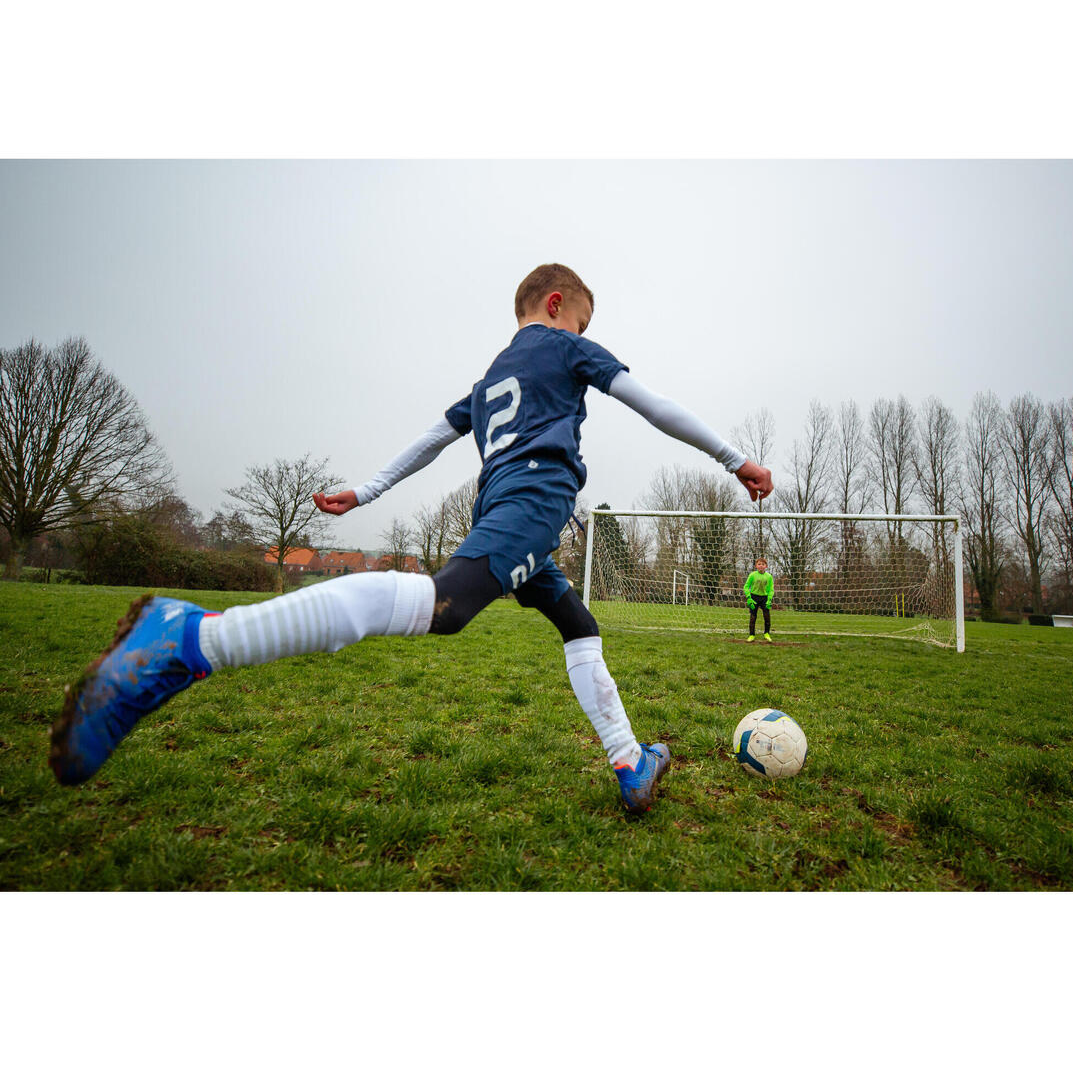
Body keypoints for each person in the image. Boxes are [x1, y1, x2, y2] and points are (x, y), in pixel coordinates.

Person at [49, 264, 773, 813]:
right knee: (446, 608)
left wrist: (366, 491)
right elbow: (652, 403)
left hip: (504, 506)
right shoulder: (563, 348)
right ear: (557, 308)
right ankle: (197, 639)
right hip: (531, 502)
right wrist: (733, 458)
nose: (580, 337)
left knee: (576, 621)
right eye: (580, 324)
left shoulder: (494, 375)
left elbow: (433, 437)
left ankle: (628, 759)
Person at [743, 556, 774, 642]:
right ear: (756, 566)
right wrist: (749, 598)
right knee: (753, 617)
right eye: (759, 564)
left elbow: (771, 589)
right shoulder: (752, 575)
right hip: (754, 597)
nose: (761, 566)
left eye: (763, 564)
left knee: (767, 617)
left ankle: (766, 633)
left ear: (766, 566)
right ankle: (751, 635)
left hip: (765, 598)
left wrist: (769, 599)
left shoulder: (769, 576)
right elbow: (746, 587)